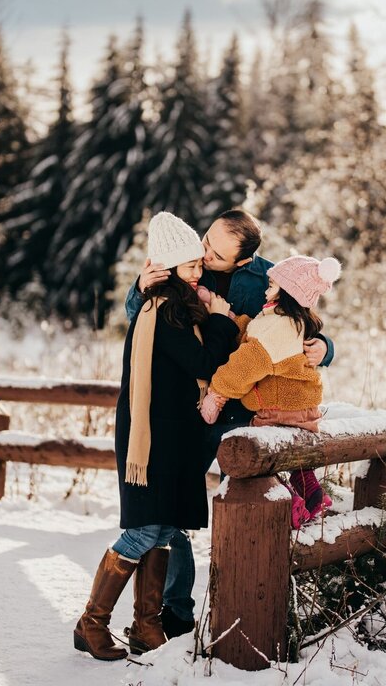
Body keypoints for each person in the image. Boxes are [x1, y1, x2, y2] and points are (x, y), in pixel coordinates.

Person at [123, 208, 337, 638]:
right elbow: (140, 315)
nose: (203, 254)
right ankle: (174, 612)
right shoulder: (181, 263)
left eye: (215, 254)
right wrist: (138, 287)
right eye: (204, 241)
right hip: (190, 404)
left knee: (247, 506)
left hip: (239, 410)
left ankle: (247, 612)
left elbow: (296, 325)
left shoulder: (265, 281)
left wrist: (324, 347)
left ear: (241, 261)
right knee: (176, 510)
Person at [74, 212, 238, 662]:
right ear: (168, 270)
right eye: (189, 266)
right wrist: (224, 321)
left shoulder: (179, 308)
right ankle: (91, 622)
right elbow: (204, 363)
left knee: (164, 528)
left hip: (172, 435)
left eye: (198, 264)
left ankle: (147, 626)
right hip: (151, 438)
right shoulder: (163, 311)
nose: (198, 271)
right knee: (144, 529)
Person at [199, 255, 341, 527]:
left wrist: (217, 394)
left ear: (287, 293)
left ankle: (292, 506)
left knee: (267, 461)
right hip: (299, 408)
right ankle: (312, 495)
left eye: (273, 285)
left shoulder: (276, 325)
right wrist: (230, 317)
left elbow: (244, 366)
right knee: (295, 460)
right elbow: (253, 335)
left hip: (277, 409)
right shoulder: (287, 321)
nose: (267, 289)